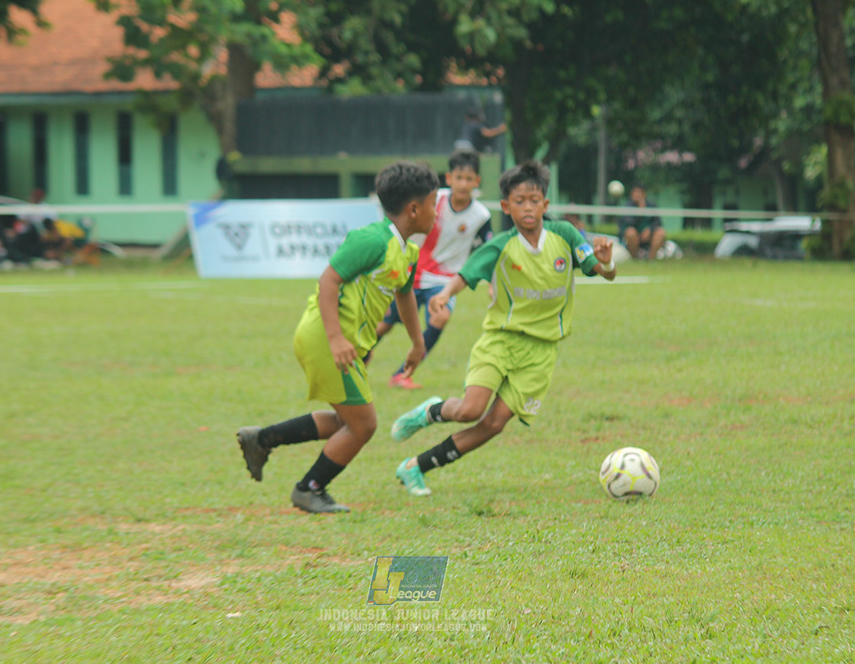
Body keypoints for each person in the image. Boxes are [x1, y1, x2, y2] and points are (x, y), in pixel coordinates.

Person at [388, 160, 617, 497]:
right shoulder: (501, 245)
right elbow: (465, 275)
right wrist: (444, 295)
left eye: (534, 200)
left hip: (541, 352)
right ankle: (430, 411)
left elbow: (602, 271)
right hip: (501, 341)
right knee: (470, 410)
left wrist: (607, 260)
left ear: (545, 205)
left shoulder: (565, 235)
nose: (528, 207)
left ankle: (416, 467)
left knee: (494, 424)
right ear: (507, 207)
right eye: (520, 201)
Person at [235, 161, 440, 514]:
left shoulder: (406, 251)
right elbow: (328, 280)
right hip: (325, 338)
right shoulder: (372, 239)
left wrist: (418, 343)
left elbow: (404, 295)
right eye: (434, 204)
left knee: (348, 422)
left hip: (342, 343)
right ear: (414, 208)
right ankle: (309, 489)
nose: (437, 213)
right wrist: (335, 339)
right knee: (364, 425)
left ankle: (261, 439)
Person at [370, 149, 493, 390]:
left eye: (469, 179)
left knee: (441, 316)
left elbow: (487, 252)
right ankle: (359, 358)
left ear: (477, 181)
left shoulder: (481, 215)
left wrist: (493, 282)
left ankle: (402, 374)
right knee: (383, 325)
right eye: (459, 178)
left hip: (444, 280)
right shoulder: (433, 200)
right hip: (412, 273)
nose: (463, 184)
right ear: (449, 178)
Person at [619, 184, 666, 260]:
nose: (637, 195)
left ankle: (651, 259)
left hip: (648, 237)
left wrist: (650, 230)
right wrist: (640, 211)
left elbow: (658, 222)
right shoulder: (628, 206)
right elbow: (628, 223)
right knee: (630, 232)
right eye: (635, 192)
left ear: (644, 194)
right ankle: (634, 259)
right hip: (634, 237)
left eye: (639, 192)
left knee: (660, 232)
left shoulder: (651, 205)